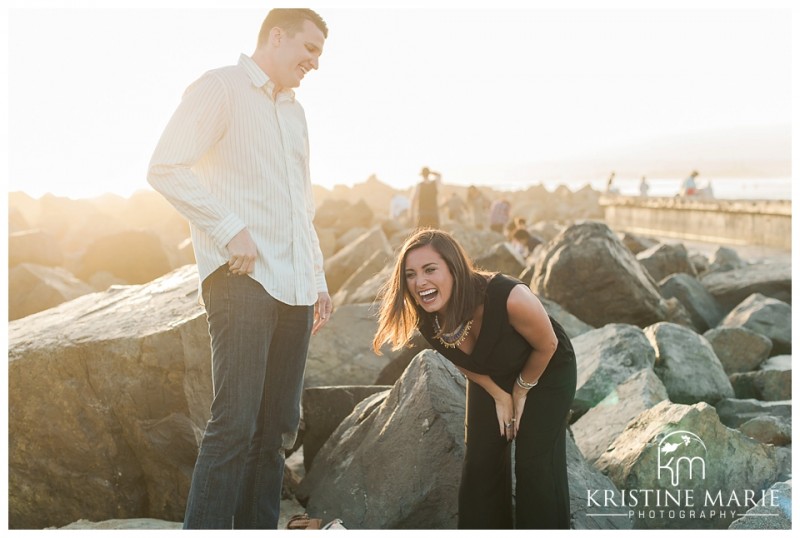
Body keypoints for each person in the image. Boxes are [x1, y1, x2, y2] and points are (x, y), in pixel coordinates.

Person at [147, 9, 331, 529]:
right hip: (241, 278)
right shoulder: (219, 87)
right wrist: (230, 228)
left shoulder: (296, 113)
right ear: (276, 36)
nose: (315, 63)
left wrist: (316, 280)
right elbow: (164, 166)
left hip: (294, 286)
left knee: (275, 431)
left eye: (320, 55)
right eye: (310, 49)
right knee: (234, 424)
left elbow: (301, 205)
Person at [372, 229, 577, 529]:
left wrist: (519, 391)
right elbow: (463, 361)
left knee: (534, 464)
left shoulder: (509, 296)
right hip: (491, 374)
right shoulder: (427, 315)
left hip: (544, 369)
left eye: (430, 270)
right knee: (481, 462)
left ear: (454, 269)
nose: (420, 283)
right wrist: (497, 394)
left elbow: (547, 345)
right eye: (411, 275)